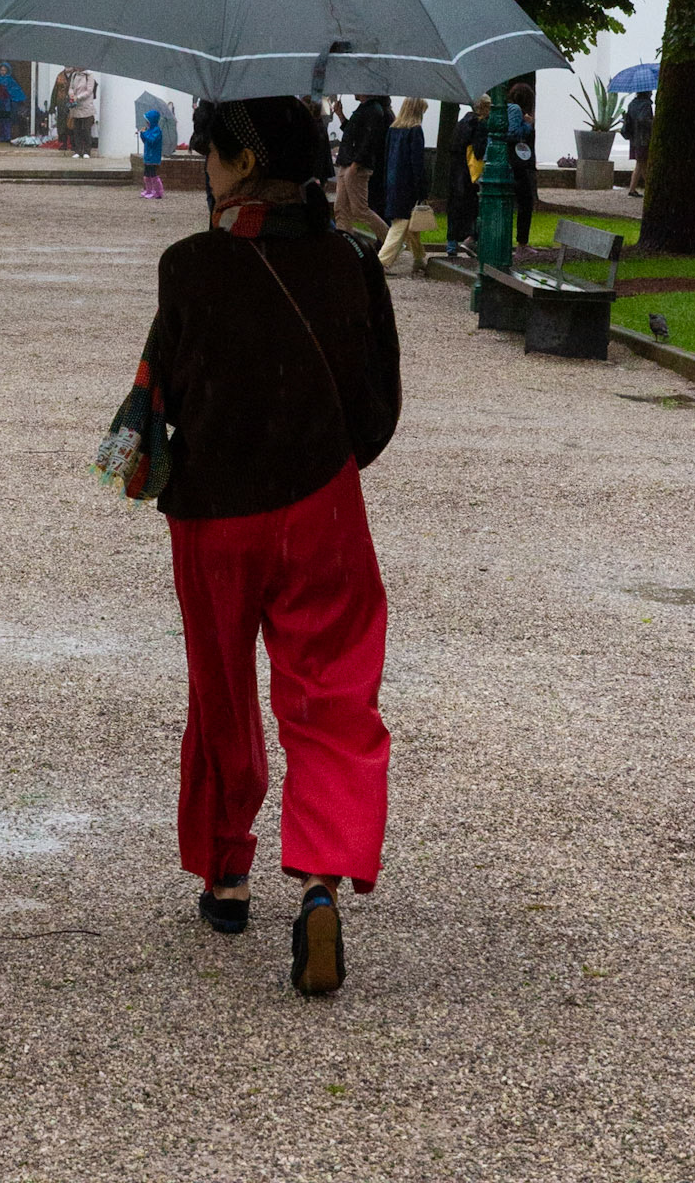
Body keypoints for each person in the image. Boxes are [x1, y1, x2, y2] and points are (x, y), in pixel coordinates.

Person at [97, 96, 400, 996]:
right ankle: (318, 880)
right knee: (334, 690)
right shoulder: (350, 263)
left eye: (209, 152)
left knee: (222, 688)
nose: (202, 165)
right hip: (322, 505)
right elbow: (377, 403)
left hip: (215, 514)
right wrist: (324, 459)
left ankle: (226, 876)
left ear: (239, 159)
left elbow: (172, 392)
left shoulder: (189, 265)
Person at [378, 98, 431, 275]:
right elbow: (417, 163)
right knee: (400, 224)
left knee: (410, 223)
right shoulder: (415, 130)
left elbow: (386, 158)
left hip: (393, 181)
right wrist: (422, 189)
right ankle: (381, 262)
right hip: (408, 184)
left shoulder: (393, 130)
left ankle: (418, 259)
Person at [333, 95, 390, 244]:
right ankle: (345, 244)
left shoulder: (373, 110)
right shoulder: (363, 109)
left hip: (356, 166)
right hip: (347, 163)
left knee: (359, 210)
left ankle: (390, 241)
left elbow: (369, 140)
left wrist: (356, 164)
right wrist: (340, 115)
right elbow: (352, 134)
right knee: (341, 208)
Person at [445, 96, 490, 259]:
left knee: (455, 208)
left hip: (456, 172)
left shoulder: (462, 123)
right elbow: (479, 151)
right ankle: (470, 240)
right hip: (471, 174)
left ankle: (451, 244)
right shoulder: (480, 125)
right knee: (473, 208)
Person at [507, 83, 537, 254]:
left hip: (509, 162)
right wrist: (527, 125)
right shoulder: (516, 110)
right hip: (515, 163)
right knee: (525, 201)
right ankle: (522, 243)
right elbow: (513, 133)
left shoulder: (506, 108)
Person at [0, 61, 26, 143]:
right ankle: (0, 136)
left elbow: (15, 91)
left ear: (7, 71)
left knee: (7, 120)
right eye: (1, 70)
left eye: (4, 70)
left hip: (7, 105)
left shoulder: (10, 81)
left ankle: (7, 136)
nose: (2, 72)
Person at [621, 88, 653, 196]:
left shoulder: (632, 104)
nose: (652, 92)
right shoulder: (646, 105)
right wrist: (653, 121)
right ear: (647, 92)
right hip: (643, 139)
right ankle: (646, 188)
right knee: (642, 163)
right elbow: (643, 120)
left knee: (640, 163)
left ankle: (634, 188)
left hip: (634, 138)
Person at [67, 68, 97, 156]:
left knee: (86, 130)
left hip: (86, 106)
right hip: (76, 106)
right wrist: (71, 94)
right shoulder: (74, 75)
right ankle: (78, 150)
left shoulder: (89, 75)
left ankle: (87, 151)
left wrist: (78, 97)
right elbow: (71, 87)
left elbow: (89, 91)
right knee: (77, 130)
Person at [140, 105, 164, 200]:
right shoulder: (149, 130)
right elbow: (145, 141)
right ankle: (148, 190)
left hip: (153, 156)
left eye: (148, 120)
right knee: (146, 175)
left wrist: (144, 134)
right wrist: (142, 134)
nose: (146, 122)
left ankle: (158, 192)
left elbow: (151, 141)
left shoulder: (157, 130)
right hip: (148, 156)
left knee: (153, 174)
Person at [51, 68, 71, 151]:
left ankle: (73, 143)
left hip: (73, 103)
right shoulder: (60, 76)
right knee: (61, 124)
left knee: (72, 123)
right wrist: (52, 106)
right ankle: (63, 143)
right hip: (61, 102)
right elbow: (55, 91)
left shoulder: (76, 75)